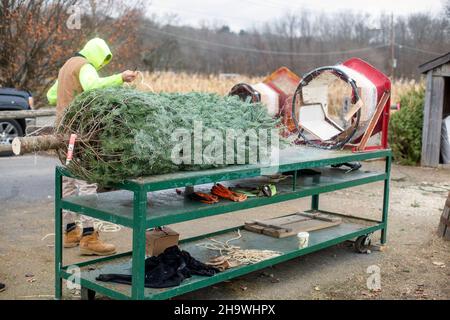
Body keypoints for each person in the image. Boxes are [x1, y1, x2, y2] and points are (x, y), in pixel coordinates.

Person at [47, 38, 137, 256]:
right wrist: (120, 78)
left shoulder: (67, 65)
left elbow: (50, 96)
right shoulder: (84, 66)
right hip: (78, 136)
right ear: (96, 54)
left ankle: (69, 232)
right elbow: (93, 85)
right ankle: (89, 237)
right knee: (87, 182)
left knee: (68, 182)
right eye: (102, 61)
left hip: (62, 134)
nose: (99, 67)